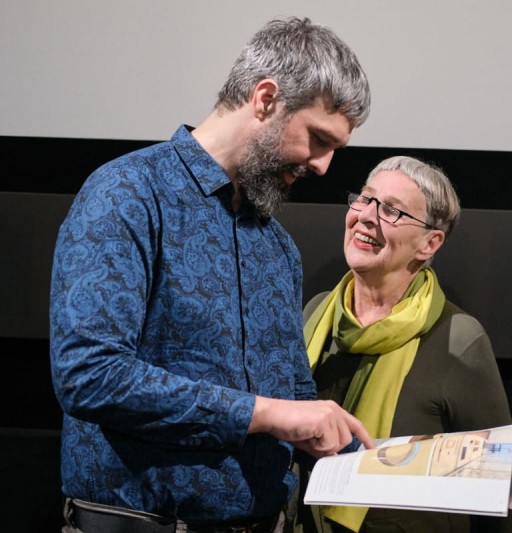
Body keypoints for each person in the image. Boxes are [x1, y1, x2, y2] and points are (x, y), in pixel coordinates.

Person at [49, 17, 373, 533]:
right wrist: (268, 414)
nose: (325, 166)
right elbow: (91, 376)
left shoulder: (277, 248)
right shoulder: (128, 195)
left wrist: (371, 453)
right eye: (317, 138)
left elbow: (291, 394)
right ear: (265, 99)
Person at [292, 156, 512, 532]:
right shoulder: (318, 311)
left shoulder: (458, 339)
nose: (368, 215)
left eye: (392, 211)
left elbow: (502, 488)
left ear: (429, 243)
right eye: (365, 199)